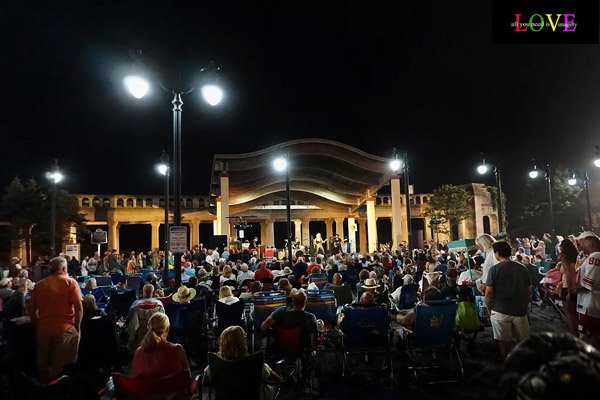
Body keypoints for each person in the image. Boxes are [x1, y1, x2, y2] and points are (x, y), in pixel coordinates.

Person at [28, 256, 83, 383]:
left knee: (44, 364)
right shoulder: (70, 282)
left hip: (43, 329)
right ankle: (56, 388)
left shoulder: (39, 285)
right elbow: (79, 308)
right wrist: (77, 327)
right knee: (59, 365)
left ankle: (44, 387)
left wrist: (37, 324)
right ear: (64, 268)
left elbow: (30, 309)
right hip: (65, 329)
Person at [485, 241, 531, 359]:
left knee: (504, 342)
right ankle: (521, 363)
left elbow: (489, 292)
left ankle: (507, 363)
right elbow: (528, 290)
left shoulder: (494, 270)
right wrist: (525, 304)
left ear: (497, 253)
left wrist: (489, 308)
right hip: (519, 310)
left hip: (500, 310)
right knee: (522, 341)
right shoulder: (522, 268)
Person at [203, 325, 280, 383]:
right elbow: (277, 380)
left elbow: (205, 381)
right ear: (243, 343)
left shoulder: (215, 364)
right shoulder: (256, 364)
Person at [132, 312, 189, 380]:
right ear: (167, 329)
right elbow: (187, 376)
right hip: (171, 390)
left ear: (148, 328)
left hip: (145, 390)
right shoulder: (177, 349)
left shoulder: (138, 352)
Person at [572, 231, 600, 347]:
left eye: (583, 243)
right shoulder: (592, 257)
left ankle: (590, 360)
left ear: (590, 243)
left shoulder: (595, 257)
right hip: (589, 304)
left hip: (590, 304)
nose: (580, 246)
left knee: (589, 337)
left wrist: (575, 288)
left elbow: (588, 283)